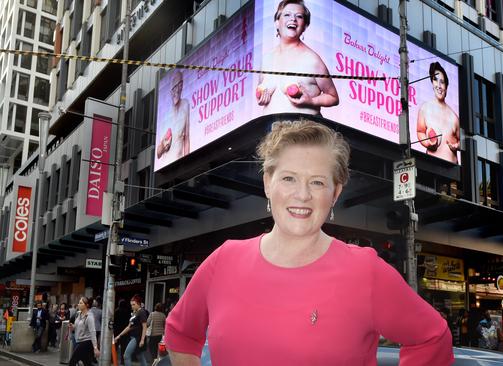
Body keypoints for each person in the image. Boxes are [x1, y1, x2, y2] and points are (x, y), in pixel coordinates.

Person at [165, 120, 453, 365]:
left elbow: (432, 337)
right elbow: (180, 332)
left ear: (335, 192)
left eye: (317, 182)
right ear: (268, 182)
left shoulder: (364, 271)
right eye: (289, 178)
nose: (302, 195)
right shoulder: (224, 261)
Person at [257, 0, 339, 115]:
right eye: (287, 15)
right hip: (270, 129)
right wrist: (262, 99)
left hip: (304, 130)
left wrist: (311, 101)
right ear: (276, 22)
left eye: (299, 16)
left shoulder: (312, 59)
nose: (293, 19)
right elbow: (263, 92)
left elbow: (333, 97)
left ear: (305, 26)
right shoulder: (266, 59)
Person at [416, 62, 460, 164]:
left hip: (451, 171)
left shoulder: (454, 117)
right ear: (432, 82)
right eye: (435, 80)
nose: (439, 86)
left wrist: (457, 146)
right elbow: (420, 131)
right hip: (431, 167)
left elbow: (462, 140)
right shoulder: (425, 108)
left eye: (442, 82)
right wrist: (428, 143)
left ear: (446, 87)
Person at [157, 70, 190, 161]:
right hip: (168, 164)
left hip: (180, 162)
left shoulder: (185, 104)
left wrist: (188, 162)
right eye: (175, 86)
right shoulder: (165, 116)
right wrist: (164, 146)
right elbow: (158, 154)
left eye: (180, 84)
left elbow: (186, 137)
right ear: (171, 90)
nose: (177, 89)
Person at [114, 295, 148, 366]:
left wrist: (142, 340)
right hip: (134, 337)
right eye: (131, 304)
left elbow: (144, 327)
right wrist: (119, 336)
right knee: (140, 356)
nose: (132, 306)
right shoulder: (135, 313)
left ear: (139, 303)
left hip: (137, 338)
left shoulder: (142, 312)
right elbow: (129, 327)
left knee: (126, 356)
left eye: (133, 304)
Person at [68, 297, 99, 366]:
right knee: (87, 363)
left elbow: (93, 332)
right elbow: (77, 327)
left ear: (86, 305)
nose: (78, 304)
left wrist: (95, 348)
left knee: (72, 362)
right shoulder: (79, 314)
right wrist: (72, 327)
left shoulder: (89, 317)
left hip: (86, 342)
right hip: (79, 341)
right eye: (79, 303)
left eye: (81, 303)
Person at [113, 299, 132, 365]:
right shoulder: (128, 311)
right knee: (123, 347)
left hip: (117, 331)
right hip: (124, 331)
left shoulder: (116, 311)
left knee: (115, 346)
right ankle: (122, 361)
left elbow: (113, 321)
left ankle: (113, 359)